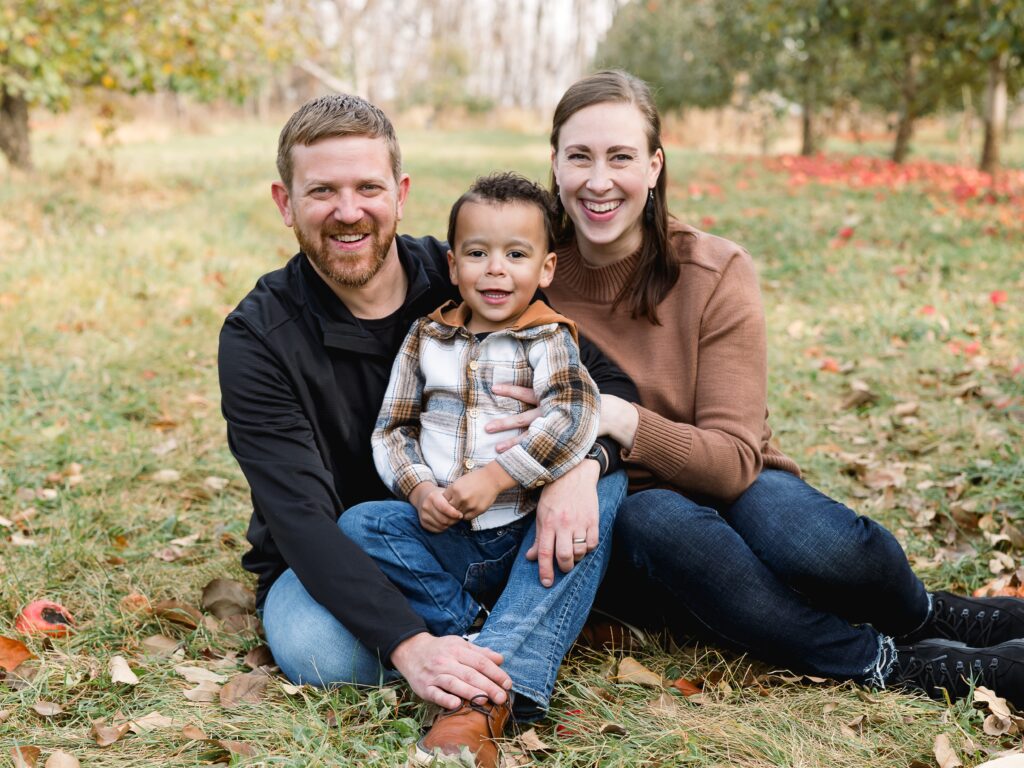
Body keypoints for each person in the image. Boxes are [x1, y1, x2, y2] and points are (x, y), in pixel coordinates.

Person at [532, 69, 1024, 707]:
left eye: (620, 157)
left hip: (731, 478)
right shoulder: (524, 273)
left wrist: (620, 416)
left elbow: (735, 462)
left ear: (654, 167)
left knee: (807, 537)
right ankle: (893, 664)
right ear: (555, 163)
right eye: (580, 157)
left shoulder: (714, 269)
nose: (599, 181)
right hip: (627, 522)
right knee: (658, 518)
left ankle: (928, 616)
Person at [217, 94, 633, 767]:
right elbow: (300, 521)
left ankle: (490, 690)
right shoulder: (258, 337)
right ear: (286, 202)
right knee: (307, 642)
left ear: (400, 193)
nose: (348, 211)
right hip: (373, 550)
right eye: (322, 190)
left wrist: (581, 469)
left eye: (368, 188)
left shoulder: (474, 270)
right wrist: (410, 646)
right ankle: (513, 639)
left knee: (599, 482)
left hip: (505, 521)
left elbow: (605, 387)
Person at [341, 171, 611, 766]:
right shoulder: (426, 338)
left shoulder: (549, 340)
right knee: (361, 523)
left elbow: (575, 415)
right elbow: (393, 429)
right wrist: (417, 491)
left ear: (545, 269)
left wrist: (497, 477)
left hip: (524, 531)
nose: (495, 269)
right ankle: (480, 631)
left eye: (516, 255)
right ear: (452, 263)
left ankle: (486, 692)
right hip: (446, 538)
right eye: (478, 253)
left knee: (591, 511)